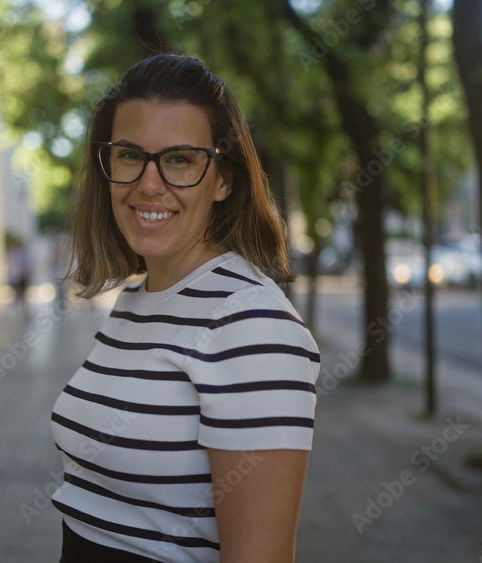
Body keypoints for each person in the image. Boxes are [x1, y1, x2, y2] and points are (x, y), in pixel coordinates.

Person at [50, 54, 320, 563]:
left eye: (180, 160)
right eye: (130, 155)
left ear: (224, 180)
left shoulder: (253, 327)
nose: (149, 184)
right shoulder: (137, 298)